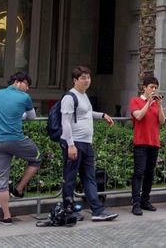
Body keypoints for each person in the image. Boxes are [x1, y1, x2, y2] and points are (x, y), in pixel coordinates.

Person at [0, 72, 41, 225]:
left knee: (1, 180)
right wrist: (20, 115)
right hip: (16, 140)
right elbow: (32, 117)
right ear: (19, 82)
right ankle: (19, 189)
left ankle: (6, 216)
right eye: (27, 85)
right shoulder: (24, 98)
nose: (27, 89)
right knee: (37, 157)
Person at [59, 66, 118, 221]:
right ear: (75, 80)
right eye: (83, 78)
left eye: (88, 77)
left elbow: (86, 113)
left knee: (89, 177)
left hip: (86, 143)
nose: (87, 80)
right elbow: (65, 122)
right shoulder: (69, 97)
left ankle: (97, 210)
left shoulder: (83, 96)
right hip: (75, 143)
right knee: (70, 178)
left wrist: (102, 115)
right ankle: (68, 209)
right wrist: (70, 145)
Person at [130, 75, 166, 216]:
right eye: (151, 87)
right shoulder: (136, 101)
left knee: (150, 174)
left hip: (154, 142)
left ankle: (145, 200)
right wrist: (148, 103)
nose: (154, 90)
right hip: (141, 142)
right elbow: (138, 116)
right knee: (139, 173)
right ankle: (136, 203)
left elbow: (162, 121)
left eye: (155, 87)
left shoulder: (156, 104)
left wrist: (160, 104)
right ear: (144, 87)